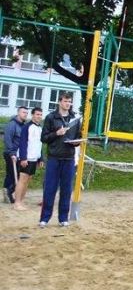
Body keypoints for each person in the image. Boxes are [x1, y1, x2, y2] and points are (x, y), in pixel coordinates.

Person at [39, 93, 82, 227]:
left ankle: (63, 218)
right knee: (50, 189)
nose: (68, 104)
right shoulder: (51, 117)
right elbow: (44, 138)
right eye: (65, 101)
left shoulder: (75, 118)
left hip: (69, 158)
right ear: (59, 102)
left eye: (69, 101)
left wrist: (77, 142)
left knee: (66, 190)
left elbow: (78, 136)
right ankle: (44, 218)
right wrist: (56, 133)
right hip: (54, 158)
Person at [14, 107, 44, 210]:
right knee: (22, 180)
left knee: (27, 180)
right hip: (26, 158)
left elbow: (40, 144)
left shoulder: (40, 128)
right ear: (32, 115)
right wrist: (23, 158)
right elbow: (22, 143)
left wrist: (41, 159)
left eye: (40, 114)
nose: (39, 116)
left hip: (34, 158)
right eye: (37, 114)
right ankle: (17, 203)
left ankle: (21, 201)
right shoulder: (27, 127)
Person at [3, 106, 28, 204]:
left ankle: (8, 193)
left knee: (16, 175)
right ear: (18, 113)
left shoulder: (23, 126)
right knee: (12, 174)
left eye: (26, 113)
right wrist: (12, 153)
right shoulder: (12, 124)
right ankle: (8, 193)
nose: (25, 114)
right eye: (23, 112)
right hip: (11, 154)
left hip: (18, 154)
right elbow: (7, 139)